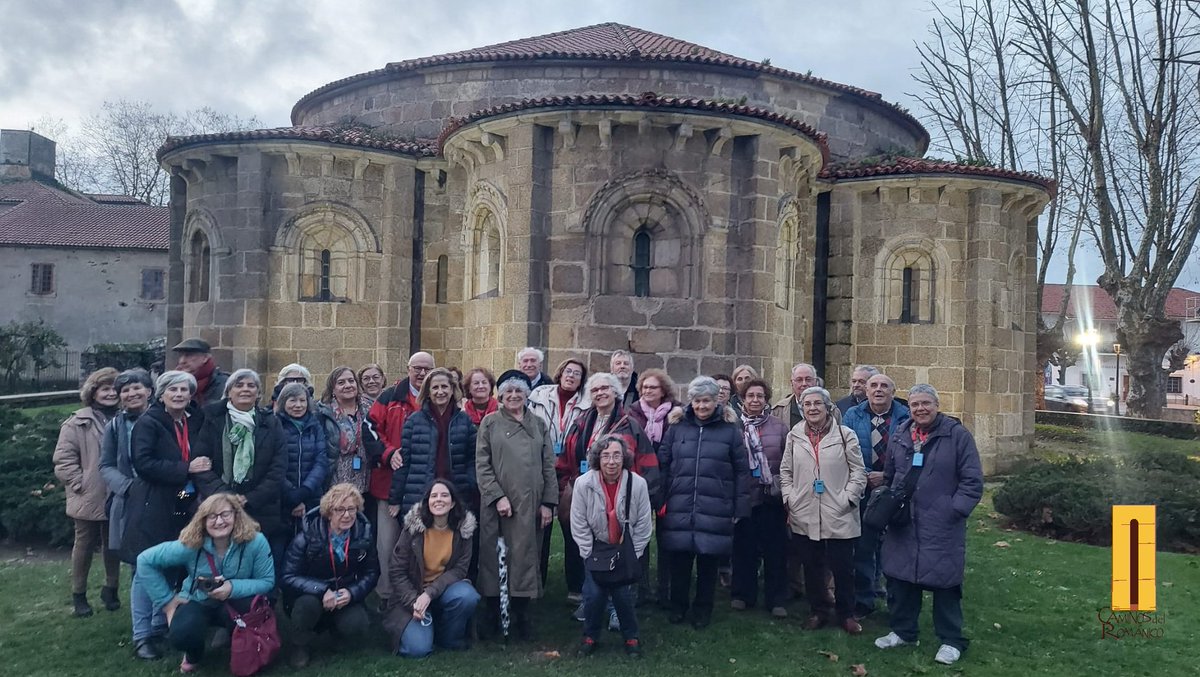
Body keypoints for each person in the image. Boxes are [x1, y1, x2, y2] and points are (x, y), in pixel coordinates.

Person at [875, 385, 983, 667]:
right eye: (914, 405)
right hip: (904, 521)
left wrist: (954, 509)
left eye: (926, 403)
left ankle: (950, 640)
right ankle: (903, 631)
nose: (920, 409)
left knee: (945, 583)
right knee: (901, 580)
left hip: (941, 523)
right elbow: (890, 474)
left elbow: (972, 481)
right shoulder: (900, 434)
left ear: (937, 404)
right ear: (908, 407)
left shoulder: (957, 436)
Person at [136, 493, 275, 674]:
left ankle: (241, 648)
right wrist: (166, 602)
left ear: (236, 514)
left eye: (225, 514)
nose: (219, 522)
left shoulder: (255, 541)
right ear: (203, 520)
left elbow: (267, 581)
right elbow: (144, 560)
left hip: (237, 600)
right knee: (181, 634)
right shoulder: (192, 543)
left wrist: (232, 587)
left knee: (249, 613)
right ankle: (194, 653)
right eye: (212, 516)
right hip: (198, 600)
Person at [561, 372, 661, 614]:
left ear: (616, 392)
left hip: (621, 493)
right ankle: (591, 599)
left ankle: (620, 607)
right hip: (589, 492)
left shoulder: (630, 424)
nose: (600, 393)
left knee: (622, 547)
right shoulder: (582, 421)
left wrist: (649, 495)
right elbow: (567, 454)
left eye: (605, 388)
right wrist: (566, 482)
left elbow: (646, 461)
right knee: (591, 546)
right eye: (595, 390)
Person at [658, 376, 750, 629]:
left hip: (716, 505)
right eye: (697, 401)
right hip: (680, 503)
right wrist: (661, 499)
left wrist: (739, 506)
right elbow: (663, 463)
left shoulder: (730, 430)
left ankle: (703, 609)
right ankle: (678, 606)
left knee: (708, 564)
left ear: (715, 401)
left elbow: (742, 470)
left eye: (707, 401)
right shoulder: (677, 428)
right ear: (691, 402)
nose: (702, 406)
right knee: (680, 562)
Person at [475, 370, 557, 640]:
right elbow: (482, 465)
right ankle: (492, 615)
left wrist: (548, 502)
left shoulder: (539, 424)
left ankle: (522, 614)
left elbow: (548, 465)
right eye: (508, 391)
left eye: (518, 391)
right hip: (498, 504)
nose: (513, 396)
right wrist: (497, 496)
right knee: (493, 557)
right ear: (500, 395)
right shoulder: (490, 423)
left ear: (526, 394)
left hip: (530, 504)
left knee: (525, 557)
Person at [780, 386, 866, 635]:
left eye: (818, 403)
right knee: (812, 565)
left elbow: (858, 471)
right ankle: (818, 611)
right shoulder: (795, 435)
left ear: (828, 407)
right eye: (807, 404)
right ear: (802, 408)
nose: (813, 408)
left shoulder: (844, 434)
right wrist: (790, 497)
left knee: (842, 567)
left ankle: (846, 614)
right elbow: (785, 471)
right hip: (804, 509)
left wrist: (848, 499)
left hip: (838, 510)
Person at [192, 369, 288, 572]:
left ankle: (259, 603)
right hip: (218, 505)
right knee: (221, 563)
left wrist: (249, 498)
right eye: (239, 385)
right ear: (228, 392)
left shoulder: (271, 422)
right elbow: (201, 463)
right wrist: (226, 496)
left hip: (261, 506)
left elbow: (278, 467)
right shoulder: (211, 419)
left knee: (258, 564)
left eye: (251, 385)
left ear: (258, 393)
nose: (245, 389)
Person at [120, 371, 204, 594]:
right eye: (172, 389)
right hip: (154, 499)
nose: (178, 394)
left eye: (183, 390)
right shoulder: (148, 423)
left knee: (177, 552)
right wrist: (186, 468)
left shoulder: (194, 421)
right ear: (161, 394)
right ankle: (144, 627)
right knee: (149, 561)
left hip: (184, 496)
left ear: (190, 394)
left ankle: (165, 616)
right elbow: (143, 463)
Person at [99, 369, 165, 659]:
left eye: (137, 388)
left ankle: (160, 622)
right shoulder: (115, 426)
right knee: (141, 566)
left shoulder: (165, 420)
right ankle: (142, 635)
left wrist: (186, 497)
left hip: (169, 500)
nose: (131, 394)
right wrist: (128, 487)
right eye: (125, 390)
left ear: (149, 391)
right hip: (133, 502)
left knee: (169, 561)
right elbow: (105, 466)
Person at [282, 483, 379, 668]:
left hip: (345, 595)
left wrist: (352, 593)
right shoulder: (306, 537)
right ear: (328, 512)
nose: (347, 515)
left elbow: (372, 572)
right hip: (311, 596)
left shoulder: (364, 535)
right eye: (340, 509)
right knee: (306, 607)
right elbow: (287, 576)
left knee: (358, 623)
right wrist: (322, 590)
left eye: (352, 509)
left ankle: (337, 634)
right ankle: (300, 645)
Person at [572, 435, 653, 658]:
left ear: (624, 458)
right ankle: (590, 636)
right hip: (596, 549)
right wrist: (588, 554)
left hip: (624, 549)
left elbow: (644, 525)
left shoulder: (638, 484)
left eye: (617, 455)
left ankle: (631, 637)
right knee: (594, 594)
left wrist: (632, 556)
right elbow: (578, 522)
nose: (611, 461)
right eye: (606, 456)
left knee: (623, 595)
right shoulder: (583, 484)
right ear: (598, 458)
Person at [54, 367, 122, 618]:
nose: (110, 393)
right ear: (93, 392)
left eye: (114, 388)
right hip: (89, 494)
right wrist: (78, 483)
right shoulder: (77, 421)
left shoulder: (126, 417)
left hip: (118, 492)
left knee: (113, 544)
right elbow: (63, 458)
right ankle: (79, 594)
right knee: (83, 544)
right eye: (104, 389)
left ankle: (111, 588)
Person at [385, 479, 480, 657]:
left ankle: (448, 639)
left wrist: (430, 593)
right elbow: (396, 571)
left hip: (443, 590)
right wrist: (415, 601)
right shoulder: (412, 529)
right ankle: (422, 630)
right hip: (412, 594)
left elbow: (460, 570)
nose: (439, 500)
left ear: (452, 503)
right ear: (427, 502)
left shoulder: (463, 530)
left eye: (444, 495)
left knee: (467, 596)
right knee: (417, 650)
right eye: (434, 496)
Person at [368, 351, 435, 608]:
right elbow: (370, 428)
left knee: (421, 544)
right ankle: (386, 597)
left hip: (426, 487)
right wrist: (387, 453)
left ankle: (419, 595)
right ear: (408, 369)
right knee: (388, 543)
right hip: (388, 485)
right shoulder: (390, 396)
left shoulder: (437, 396)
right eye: (416, 368)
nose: (421, 373)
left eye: (426, 368)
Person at [842, 373, 910, 618]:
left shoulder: (906, 416)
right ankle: (864, 599)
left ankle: (896, 602)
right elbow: (846, 451)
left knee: (895, 546)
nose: (878, 390)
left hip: (894, 490)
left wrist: (885, 476)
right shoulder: (853, 415)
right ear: (866, 391)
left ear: (893, 391)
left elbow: (912, 454)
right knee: (863, 547)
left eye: (884, 386)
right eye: (873, 386)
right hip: (862, 488)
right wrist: (868, 474)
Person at [529, 357, 590, 601]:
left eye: (577, 373)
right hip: (541, 469)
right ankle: (536, 583)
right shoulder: (539, 396)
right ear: (560, 372)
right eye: (568, 371)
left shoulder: (587, 403)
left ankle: (575, 587)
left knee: (572, 529)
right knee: (540, 528)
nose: (571, 376)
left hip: (570, 472)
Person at [730, 378, 790, 618]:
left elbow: (787, 459)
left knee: (776, 550)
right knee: (743, 549)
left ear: (766, 400)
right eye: (750, 396)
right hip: (744, 496)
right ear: (743, 400)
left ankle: (776, 599)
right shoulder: (734, 427)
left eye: (760, 396)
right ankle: (743, 594)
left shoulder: (779, 427)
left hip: (770, 497)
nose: (755, 400)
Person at [388, 367, 478, 516]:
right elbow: (404, 463)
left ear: (452, 389)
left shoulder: (465, 421)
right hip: (420, 493)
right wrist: (395, 499)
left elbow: (472, 459)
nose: (440, 391)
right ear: (428, 392)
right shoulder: (413, 421)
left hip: (457, 494)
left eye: (444, 387)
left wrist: (470, 482)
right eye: (435, 387)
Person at [625, 367, 678, 607]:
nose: (647, 391)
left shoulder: (677, 414)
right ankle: (641, 587)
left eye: (653, 387)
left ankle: (666, 590)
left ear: (663, 390)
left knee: (667, 538)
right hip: (640, 480)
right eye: (644, 387)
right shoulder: (632, 414)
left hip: (669, 481)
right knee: (640, 537)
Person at [275, 382, 332, 537]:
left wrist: (304, 491)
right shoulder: (274, 425)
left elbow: (321, 461)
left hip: (311, 496)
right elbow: (273, 464)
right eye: (292, 400)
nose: (298, 405)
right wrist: (291, 496)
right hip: (282, 499)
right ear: (283, 402)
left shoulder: (315, 426)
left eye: (302, 400)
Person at [319, 366, 383, 496]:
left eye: (351, 381)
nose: (348, 385)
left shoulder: (370, 409)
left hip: (367, 482)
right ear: (333, 389)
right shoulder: (324, 413)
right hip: (335, 483)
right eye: (341, 383)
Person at [171, 338, 228, 407]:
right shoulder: (173, 381)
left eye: (188, 355)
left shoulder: (224, 384)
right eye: (181, 356)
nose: (182, 361)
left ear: (205, 358)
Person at [771, 362, 820, 429]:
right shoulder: (779, 411)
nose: (804, 384)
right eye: (799, 380)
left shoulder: (830, 409)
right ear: (792, 383)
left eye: (808, 379)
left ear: (816, 382)